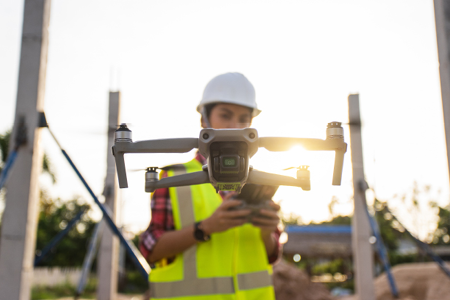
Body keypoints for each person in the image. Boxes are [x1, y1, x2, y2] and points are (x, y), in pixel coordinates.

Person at [140, 72, 280, 299]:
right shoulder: (174, 178)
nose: (235, 126)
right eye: (225, 115)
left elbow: (272, 255)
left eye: (244, 119)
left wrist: (266, 234)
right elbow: (151, 249)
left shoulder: (258, 180)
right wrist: (205, 228)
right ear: (204, 120)